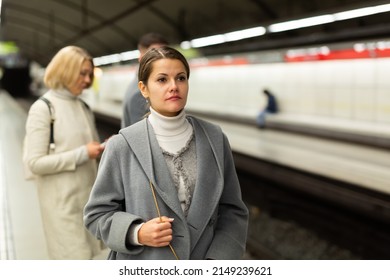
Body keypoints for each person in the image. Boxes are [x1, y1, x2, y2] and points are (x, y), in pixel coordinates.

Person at [84, 46, 249, 260]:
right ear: (143, 88)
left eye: (181, 78)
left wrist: (217, 262)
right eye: (162, 80)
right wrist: (137, 233)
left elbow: (232, 210)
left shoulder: (214, 138)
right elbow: (96, 215)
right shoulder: (122, 146)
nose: (174, 87)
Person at [23, 46, 105, 259]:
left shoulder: (83, 107)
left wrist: (105, 147)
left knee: (93, 258)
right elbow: (35, 163)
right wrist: (82, 153)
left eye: (90, 74)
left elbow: (89, 150)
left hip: (89, 204)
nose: (88, 80)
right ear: (65, 71)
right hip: (62, 208)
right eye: (82, 73)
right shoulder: (44, 109)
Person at [121, 32, 168, 128]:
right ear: (141, 58)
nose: (162, 57)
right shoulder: (139, 93)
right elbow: (140, 138)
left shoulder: (139, 84)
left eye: (165, 53)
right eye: (154, 54)